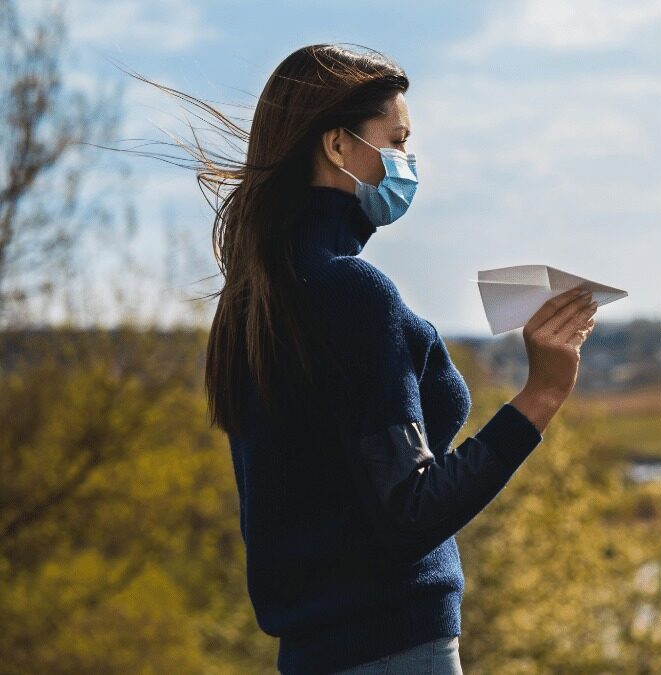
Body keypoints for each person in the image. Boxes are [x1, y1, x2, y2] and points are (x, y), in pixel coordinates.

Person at [187, 44, 598, 674]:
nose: (407, 162)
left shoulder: (258, 296)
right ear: (337, 146)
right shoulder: (349, 292)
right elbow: (409, 513)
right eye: (397, 141)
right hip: (395, 651)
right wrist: (540, 395)